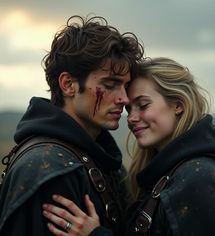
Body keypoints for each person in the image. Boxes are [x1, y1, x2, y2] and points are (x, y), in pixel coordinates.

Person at [41, 57, 215, 236]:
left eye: (142, 105)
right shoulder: (166, 175)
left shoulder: (199, 178)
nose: (132, 118)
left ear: (178, 105)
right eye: (129, 109)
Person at [0, 15, 144, 236]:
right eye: (110, 84)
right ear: (68, 85)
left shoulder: (100, 156)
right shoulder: (50, 169)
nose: (124, 99)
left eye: (125, 86)